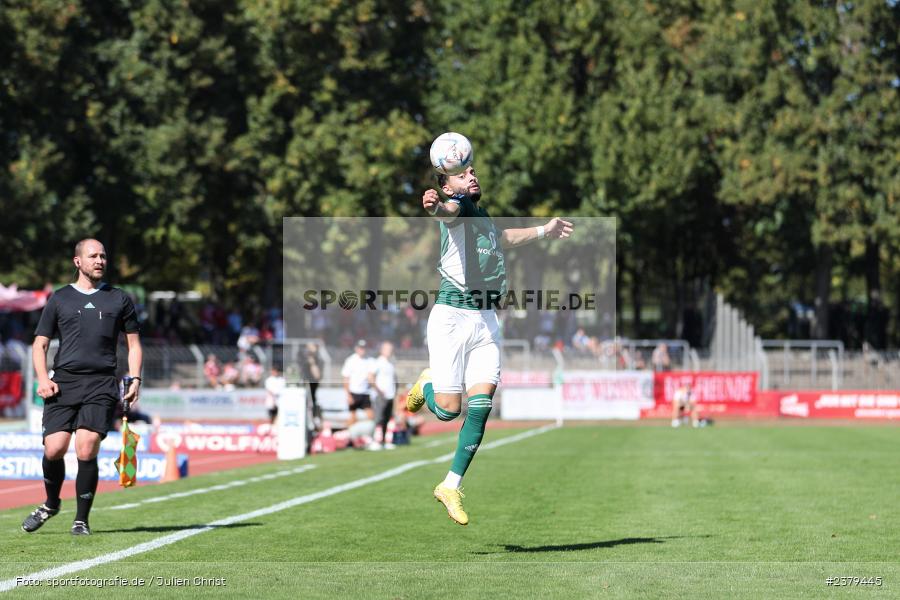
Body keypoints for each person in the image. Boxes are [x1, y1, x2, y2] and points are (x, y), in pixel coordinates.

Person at [406, 161, 573, 525]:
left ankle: (450, 485)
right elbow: (445, 212)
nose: (472, 176)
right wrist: (434, 205)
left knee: (481, 406)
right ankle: (427, 383)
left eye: (473, 172)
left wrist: (545, 230)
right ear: (450, 187)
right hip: (452, 318)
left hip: (485, 320)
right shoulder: (460, 208)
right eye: (463, 175)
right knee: (449, 410)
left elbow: (506, 238)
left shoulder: (481, 217)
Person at [22, 239, 142, 536]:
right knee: (55, 448)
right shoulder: (60, 298)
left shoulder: (119, 299)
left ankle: (81, 520)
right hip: (63, 382)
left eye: (103, 255)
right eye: (93, 256)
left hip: (101, 383)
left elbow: (134, 344)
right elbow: (40, 344)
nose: (100, 260)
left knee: (86, 448)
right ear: (78, 262)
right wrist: (43, 378)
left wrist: (135, 377)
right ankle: (51, 504)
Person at [369, 341, 397, 451]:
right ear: (382, 350)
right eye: (387, 349)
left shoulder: (390, 363)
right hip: (380, 395)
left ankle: (384, 441)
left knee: (387, 419)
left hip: (390, 395)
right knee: (378, 419)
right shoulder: (378, 362)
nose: (389, 351)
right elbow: (370, 377)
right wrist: (379, 390)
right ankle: (375, 441)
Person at [341, 340, 374, 426]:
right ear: (356, 348)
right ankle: (347, 435)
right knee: (353, 417)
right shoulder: (350, 360)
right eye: (360, 348)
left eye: (363, 348)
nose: (362, 350)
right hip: (354, 392)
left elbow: (371, 376)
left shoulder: (370, 360)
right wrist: (348, 395)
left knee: (371, 416)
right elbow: (346, 378)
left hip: (365, 392)